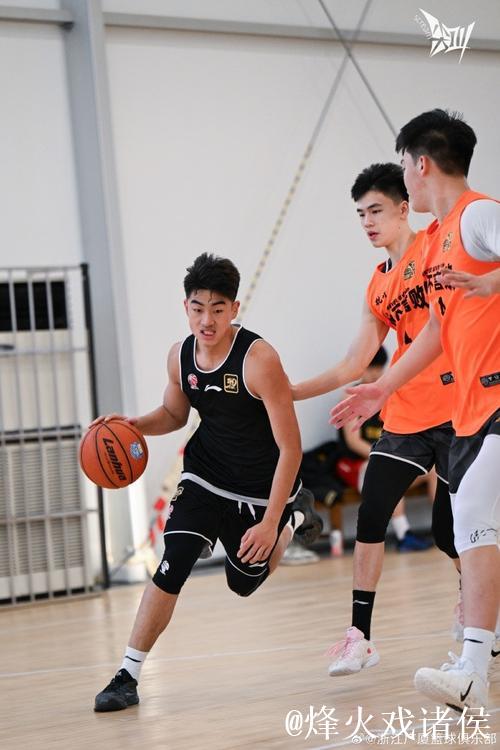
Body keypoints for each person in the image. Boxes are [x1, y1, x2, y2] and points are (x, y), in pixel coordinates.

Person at [93, 252, 322, 711]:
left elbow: (291, 449)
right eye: (198, 308)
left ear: (234, 309)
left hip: (260, 488)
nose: (207, 320)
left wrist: (271, 521)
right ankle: (127, 675)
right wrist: (133, 425)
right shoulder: (180, 356)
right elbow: (174, 414)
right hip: (205, 474)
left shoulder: (259, 360)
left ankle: (295, 518)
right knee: (173, 561)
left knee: (243, 583)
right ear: (186, 307)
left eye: (218, 309)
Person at [331, 109, 499, 710]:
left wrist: (493, 283)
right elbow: (433, 333)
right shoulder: (444, 237)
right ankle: (475, 665)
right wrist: (382, 388)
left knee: (471, 520)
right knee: (470, 524)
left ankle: (474, 667)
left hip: (493, 400)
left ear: (421, 165)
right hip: (471, 409)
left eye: (404, 165)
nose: (404, 174)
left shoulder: (476, 215)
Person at [293, 162, 459, 677]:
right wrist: (289, 391)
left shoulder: (434, 247)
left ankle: (479, 609)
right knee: (371, 512)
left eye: (376, 211)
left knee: (450, 533)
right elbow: (352, 363)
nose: (367, 222)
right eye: (361, 214)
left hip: (458, 412)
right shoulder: (377, 285)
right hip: (406, 416)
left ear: (404, 209)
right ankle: (360, 637)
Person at [335, 346, 435, 553]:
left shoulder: (389, 394)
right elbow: (353, 442)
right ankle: (403, 534)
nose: (374, 374)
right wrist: (386, 457)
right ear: (362, 368)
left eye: (378, 368)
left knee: (434, 471)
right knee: (387, 471)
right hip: (355, 463)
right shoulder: (349, 397)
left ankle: (445, 526)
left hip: (383, 455)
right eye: (370, 368)